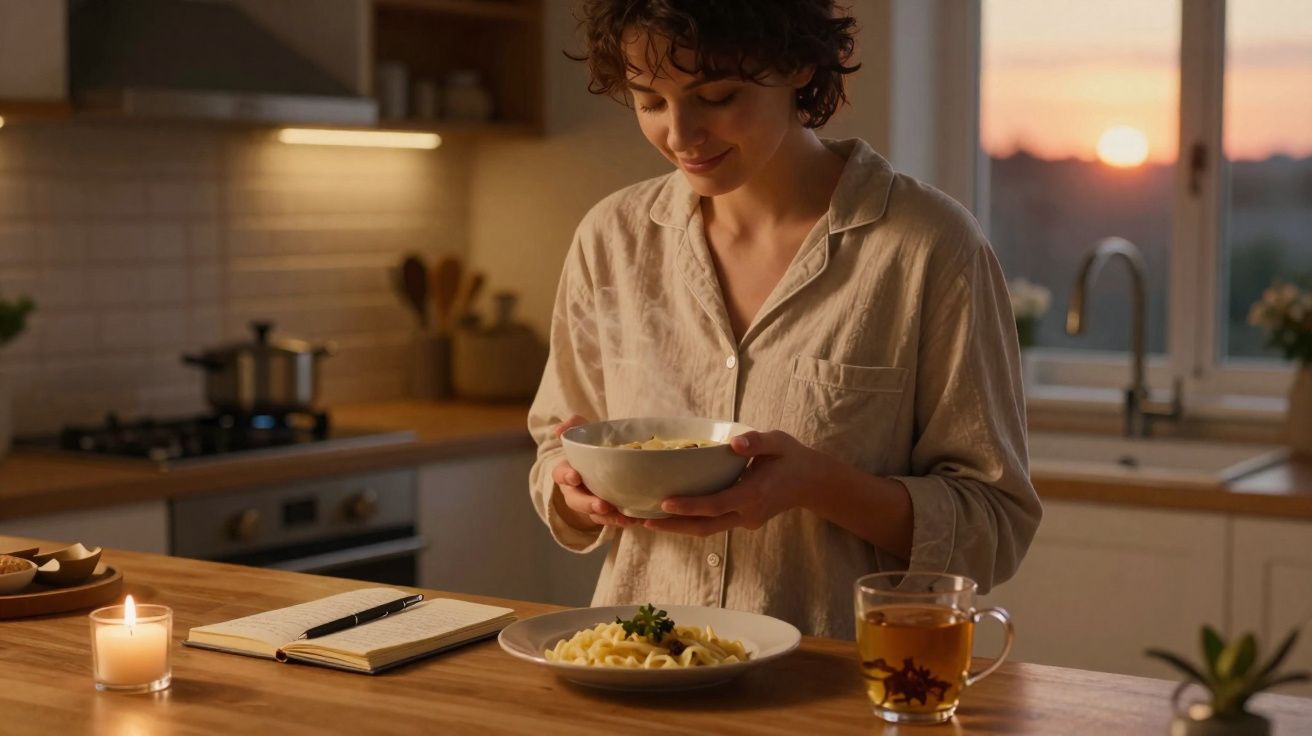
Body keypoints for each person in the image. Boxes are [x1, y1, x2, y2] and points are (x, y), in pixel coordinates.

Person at [527, 0, 1042, 639]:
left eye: (716, 96)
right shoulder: (612, 238)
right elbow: (557, 445)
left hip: (832, 690)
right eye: (650, 101)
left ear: (798, 65)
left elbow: (993, 526)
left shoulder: (927, 247)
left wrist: (816, 484)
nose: (681, 135)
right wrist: (573, 492)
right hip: (636, 667)